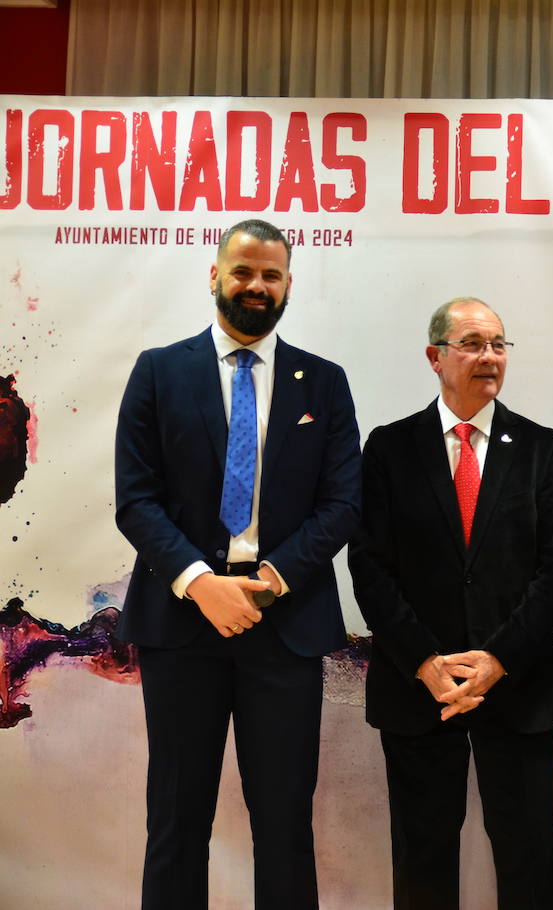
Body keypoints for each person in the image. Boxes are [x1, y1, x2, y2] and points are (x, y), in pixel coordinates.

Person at [114, 218, 361, 909]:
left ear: (288, 284)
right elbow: (136, 502)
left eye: (271, 275)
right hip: (181, 625)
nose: (256, 285)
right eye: (243, 271)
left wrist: (269, 581)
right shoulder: (158, 372)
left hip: (285, 627)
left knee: (284, 825)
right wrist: (201, 584)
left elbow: (343, 505)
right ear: (215, 275)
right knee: (176, 821)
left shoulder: (326, 384)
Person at [348, 298, 553, 910]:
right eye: (473, 343)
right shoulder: (391, 448)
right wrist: (425, 660)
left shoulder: (540, 448)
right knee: (422, 856)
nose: (489, 357)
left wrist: (498, 658)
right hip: (419, 687)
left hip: (516, 683)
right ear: (436, 357)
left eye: (499, 344)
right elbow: (368, 566)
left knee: (528, 852)